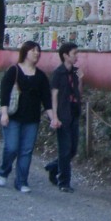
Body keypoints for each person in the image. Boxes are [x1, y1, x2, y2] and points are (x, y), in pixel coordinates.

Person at [0, 40, 57, 193]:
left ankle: (21, 181)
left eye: (38, 50)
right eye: (33, 50)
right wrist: (4, 113)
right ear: (25, 52)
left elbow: (47, 100)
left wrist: (53, 118)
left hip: (32, 119)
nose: (36, 53)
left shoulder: (41, 76)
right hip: (13, 116)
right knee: (11, 148)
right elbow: (4, 93)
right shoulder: (13, 71)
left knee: (26, 151)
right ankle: (4, 170)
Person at [44, 42, 83, 192]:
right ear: (65, 55)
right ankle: (64, 182)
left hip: (74, 112)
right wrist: (54, 116)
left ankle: (53, 167)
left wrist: (81, 80)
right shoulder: (58, 73)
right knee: (65, 149)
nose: (77, 56)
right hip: (62, 113)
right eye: (74, 53)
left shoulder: (75, 72)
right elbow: (53, 96)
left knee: (73, 149)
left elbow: (79, 93)